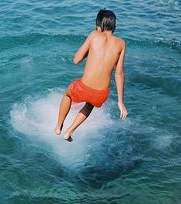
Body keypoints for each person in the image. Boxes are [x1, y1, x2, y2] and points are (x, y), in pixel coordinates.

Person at [54, 9, 127, 142]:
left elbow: (76, 60)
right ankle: (69, 131)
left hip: (83, 87)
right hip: (101, 94)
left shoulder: (94, 35)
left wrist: (90, 50)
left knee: (67, 94)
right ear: (114, 26)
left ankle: (59, 126)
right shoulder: (121, 44)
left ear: (98, 26)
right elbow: (119, 74)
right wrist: (120, 102)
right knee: (90, 104)